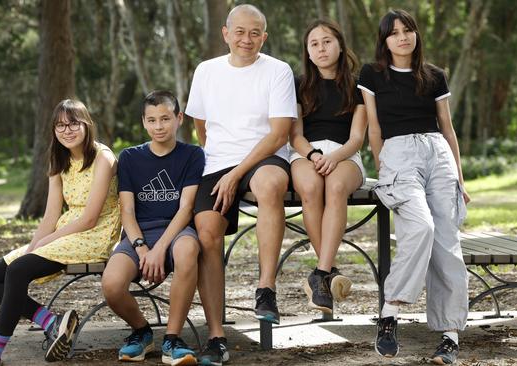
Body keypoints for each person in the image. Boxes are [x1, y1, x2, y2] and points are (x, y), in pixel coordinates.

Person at [0, 99, 122, 366]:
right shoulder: (59, 159)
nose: (67, 130)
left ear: (87, 126)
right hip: (66, 232)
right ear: (53, 130)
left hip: (95, 234)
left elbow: (89, 218)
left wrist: (47, 242)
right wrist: (33, 246)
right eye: (60, 125)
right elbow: (51, 214)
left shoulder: (103, 157)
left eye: (74, 123)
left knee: (18, 270)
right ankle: (51, 322)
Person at [185, 4, 297, 365]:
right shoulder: (206, 71)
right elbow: (201, 127)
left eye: (254, 33)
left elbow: (280, 133)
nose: (246, 39)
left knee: (269, 185)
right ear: (226, 33)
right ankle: (217, 337)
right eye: (240, 32)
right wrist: (224, 169)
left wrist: (237, 174)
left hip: (265, 156)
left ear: (264, 36)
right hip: (217, 163)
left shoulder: (278, 71)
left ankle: (266, 289)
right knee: (207, 233)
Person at [358, 9, 470, 365]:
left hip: (437, 154)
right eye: (394, 33)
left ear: (416, 34)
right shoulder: (372, 74)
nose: (403, 37)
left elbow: (447, 129)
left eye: (408, 30)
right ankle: (390, 312)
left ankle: (450, 337)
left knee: (446, 243)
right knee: (420, 227)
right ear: (384, 41)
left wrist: (460, 178)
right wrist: (383, 163)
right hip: (398, 153)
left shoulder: (434, 76)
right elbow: (373, 128)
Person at [101, 91, 205, 365]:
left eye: (165, 119)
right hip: (139, 235)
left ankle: (172, 339)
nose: (159, 126)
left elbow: (185, 209)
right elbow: (127, 211)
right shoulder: (130, 157)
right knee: (111, 284)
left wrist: (159, 249)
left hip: (177, 231)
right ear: (144, 123)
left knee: (187, 250)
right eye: (152, 120)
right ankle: (142, 331)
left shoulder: (193, 155)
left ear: (179, 118)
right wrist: (142, 248)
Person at [290, 20, 367, 314]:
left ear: (340, 45)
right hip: (306, 153)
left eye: (327, 41)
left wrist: (335, 157)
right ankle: (329, 272)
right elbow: (294, 134)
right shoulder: (298, 85)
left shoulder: (358, 85)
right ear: (308, 52)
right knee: (310, 186)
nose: (321, 48)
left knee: (335, 186)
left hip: (345, 154)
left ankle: (320, 274)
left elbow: (357, 137)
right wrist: (313, 155)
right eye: (314, 44)